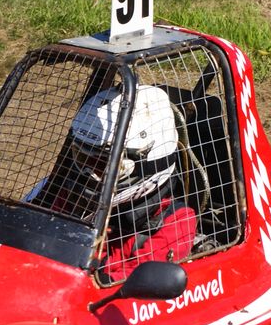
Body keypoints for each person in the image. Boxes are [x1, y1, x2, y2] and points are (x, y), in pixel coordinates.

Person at [68, 85, 197, 282]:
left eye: (107, 166)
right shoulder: (69, 195)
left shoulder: (177, 221)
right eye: (84, 158)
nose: (92, 174)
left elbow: (134, 280)